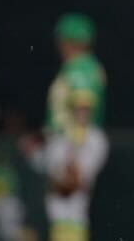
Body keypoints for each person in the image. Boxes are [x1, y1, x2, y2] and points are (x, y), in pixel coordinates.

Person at [22, 88, 109, 241]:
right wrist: (33, 154)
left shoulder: (96, 138)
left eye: (86, 109)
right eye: (78, 108)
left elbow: (88, 171)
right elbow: (44, 162)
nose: (82, 113)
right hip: (56, 194)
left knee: (76, 221)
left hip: (79, 194)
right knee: (59, 222)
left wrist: (75, 170)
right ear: (71, 109)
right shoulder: (58, 134)